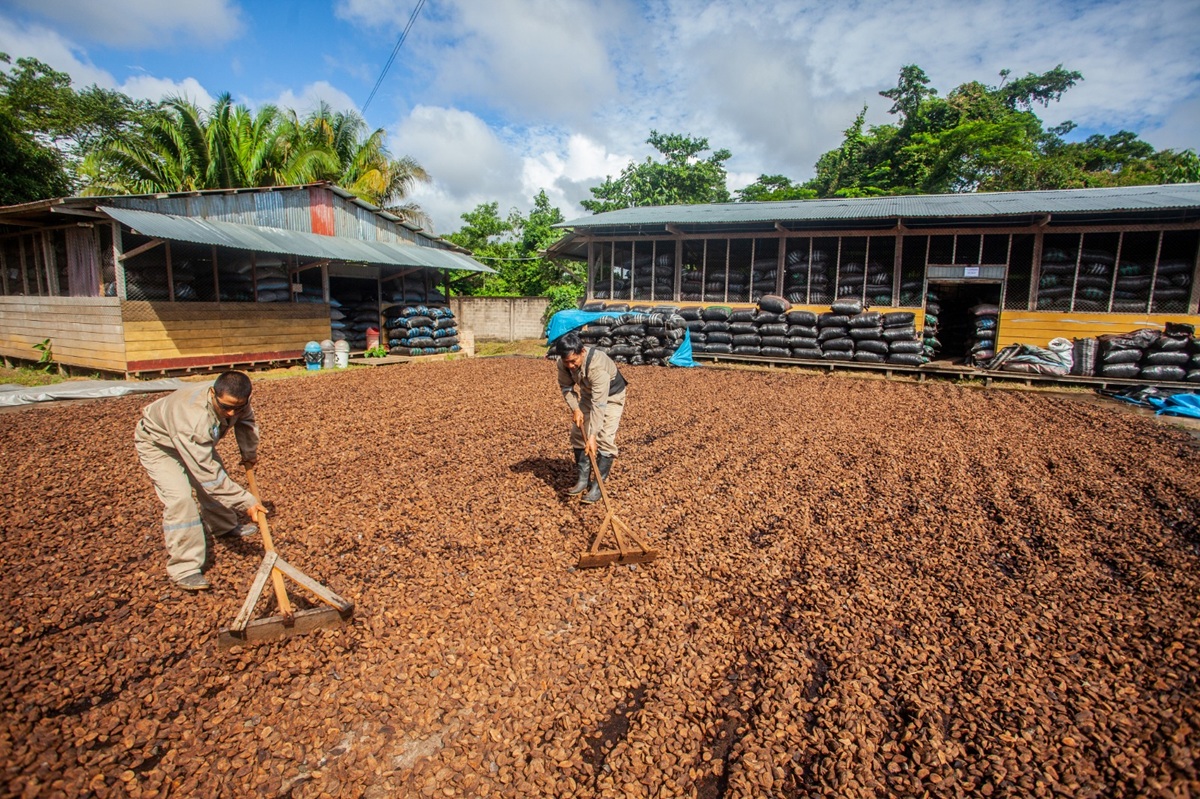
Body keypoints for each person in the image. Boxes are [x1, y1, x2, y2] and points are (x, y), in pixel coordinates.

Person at [134, 371, 268, 592]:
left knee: (217, 478)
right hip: (159, 444)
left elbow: (246, 422)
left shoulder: (237, 399)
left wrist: (249, 453)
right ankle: (185, 568)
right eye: (225, 407)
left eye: (237, 407)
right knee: (181, 499)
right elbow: (207, 475)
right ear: (213, 394)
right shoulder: (193, 418)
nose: (231, 412)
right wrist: (247, 501)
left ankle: (223, 526)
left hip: (195, 442)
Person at [554, 330, 627, 503]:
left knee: (604, 439)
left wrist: (593, 435)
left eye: (574, 361)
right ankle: (582, 479)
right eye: (567, 362)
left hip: (611, 396)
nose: (570, 365)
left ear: (582, 352)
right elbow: (566, 388)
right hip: (587, 394)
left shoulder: (597, 366)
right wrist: (575, 409)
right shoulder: (562, 363)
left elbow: (599, 405)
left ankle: (597, 487)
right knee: (577, 434)